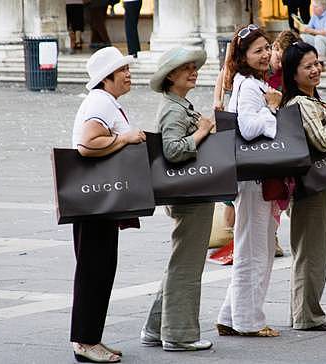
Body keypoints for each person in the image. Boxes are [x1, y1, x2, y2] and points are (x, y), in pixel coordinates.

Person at [71, 46, 146, 362]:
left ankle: (91, 338)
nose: (128, 75)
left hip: (100, 200)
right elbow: (87, 144)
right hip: (94, 202)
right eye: (123, 71)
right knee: (94, 269)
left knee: (101, 268)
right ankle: (85, 343)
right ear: (107, 78)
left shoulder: (106, 102)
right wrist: (125, 140)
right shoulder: (100, 102)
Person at [140, 47, 216, 352]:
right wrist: (201, 133)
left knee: (180, 261)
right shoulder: (173, 109)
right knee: (186, 264)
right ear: (171, 76)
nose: (193, 71)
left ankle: (155, 329)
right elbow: (172, 150)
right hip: (190, 195)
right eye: (186, 68)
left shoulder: (179, 104)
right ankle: (180, 335)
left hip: (191, 192)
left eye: (194, 67)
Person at [216, 24, 282, 337]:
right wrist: (271, 109)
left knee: (252, 246)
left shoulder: (249, 82)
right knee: (255, 249)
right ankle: (249, 321)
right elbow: (250, 127)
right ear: (243, 56)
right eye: (258, 50)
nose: (265, 54)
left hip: (254, 177)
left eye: (267, 48)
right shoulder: (248, 86)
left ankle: (230, 316)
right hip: (254, 178)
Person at [281, 41, 326, 331]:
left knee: (315, 250)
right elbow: (320, 140)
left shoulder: (311, 99)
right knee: (310, 252)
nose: (315, 69)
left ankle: (305, 311)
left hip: (318, 186)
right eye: (308, 66)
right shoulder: (300, 103)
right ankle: (307, 315)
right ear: (293, 74)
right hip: (309, 187)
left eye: (317, 63)